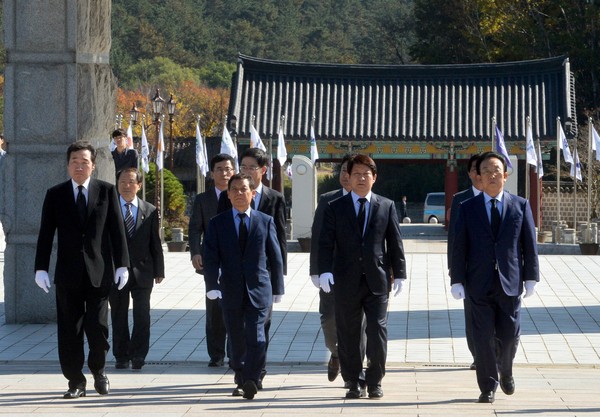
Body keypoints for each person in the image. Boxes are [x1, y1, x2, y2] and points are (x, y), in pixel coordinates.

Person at [34, 141, 130, 399]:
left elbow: (117, 230)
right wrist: (41, 268)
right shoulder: (55, 194)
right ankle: (75, 381)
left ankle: (99, 371)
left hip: (99, 273)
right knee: (69, 330)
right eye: (74, 161)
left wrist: (122, 264)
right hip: (67, 274)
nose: (79, 166)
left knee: (98, 328)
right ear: (67, 165)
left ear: (93, 165)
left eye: (84, 162)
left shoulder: (107, 191)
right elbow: (45, 234)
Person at [450, 151, 539, 404]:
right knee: (482, 337)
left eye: (496, 171)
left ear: (505, 175)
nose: (491, 175)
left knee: (509, 335)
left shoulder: (520, 205)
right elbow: (459, 246)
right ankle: (487, 385)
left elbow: (529, 245)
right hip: (477, 283)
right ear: (478, 176)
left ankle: (506, 370)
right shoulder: (467, 208)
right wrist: (456, 279)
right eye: (486, 171)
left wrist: (531, 277)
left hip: (510, 282)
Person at [318, 154, 406, 399]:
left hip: (377, 280)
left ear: (374, 178)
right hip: (345, 279)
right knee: (348, 332)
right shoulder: (335, 208)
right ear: (348, 177)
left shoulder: (386, 205)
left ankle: (375, 379)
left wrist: (399, 274)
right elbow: (325, 242)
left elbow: (394, 242)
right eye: (355, 174)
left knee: (377, 330)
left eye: (365, 174)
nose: (360, 178)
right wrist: (323, 270)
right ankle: (353, 380)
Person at [203, 173, 284, 400]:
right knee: (236, 337)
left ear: (253, 193)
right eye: (235, 190)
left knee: (257, 336)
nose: (240, 194)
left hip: (259, 289)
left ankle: (252, 378)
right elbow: (210, 257)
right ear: (228, 195)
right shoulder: (217, 223)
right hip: (230, 289)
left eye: (244, 189)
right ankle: (241, 375)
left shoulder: (264, 221)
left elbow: (275, 256)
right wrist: (212, 284)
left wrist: (278, 287)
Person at [309, 154, 366, 385]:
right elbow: (318, 237)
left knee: (360, 325)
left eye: (350, 172)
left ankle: (355, 374)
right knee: (330, 319)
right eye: (343, 171)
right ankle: (335, 353)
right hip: (331, 274)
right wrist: (316, 270)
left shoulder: (373, 202)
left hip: (361, 275)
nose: (346, 176)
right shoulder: (327, 200)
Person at [239, 147, 287, 388]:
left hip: (263, 273)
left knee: (260, 324)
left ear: (263, 171)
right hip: (236, 274)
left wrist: (279, 278)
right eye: (243, 167)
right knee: (238, 326)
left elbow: (279, 239)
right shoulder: (232, 195)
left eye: (251, 168)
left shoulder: (274, 198)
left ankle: (257, 370)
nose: (246, 172)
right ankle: (241, 370)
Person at [109, 168, 165, 371]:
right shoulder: (110, 208)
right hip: (117, 271)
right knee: (118, 314)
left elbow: (154, 242)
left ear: (139, 186)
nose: (126, 185)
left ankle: (139, 354)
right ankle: (121, 356)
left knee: (142, 315)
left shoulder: (149, 210)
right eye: (122, 181)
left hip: (143, 271)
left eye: (131, 182)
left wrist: (159, 269)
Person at [188, 154, 236, 367]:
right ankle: (216, 354)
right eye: (219, 169)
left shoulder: (240, 193)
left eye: (228, 169)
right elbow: (195, 228)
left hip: (237, 261)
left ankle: (234, 352)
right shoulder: (203, 199)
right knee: (214, 309)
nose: (224, 173)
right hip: (212, 261)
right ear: (211, 173)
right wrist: (195, 252)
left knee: (235, 308)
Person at [447, 153, 482, 370]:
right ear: (469, 173)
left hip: (499, 271)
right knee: (472, 316)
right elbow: (454, 239)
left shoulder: (504, 198)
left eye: (485, 170)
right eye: (476, 170)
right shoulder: (460, 199)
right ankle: (478, 355)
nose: (481, 175)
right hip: (470, 270)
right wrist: (454, 273)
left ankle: (495, 353)